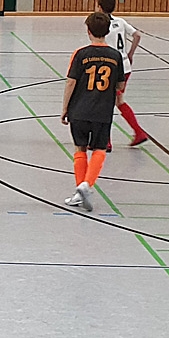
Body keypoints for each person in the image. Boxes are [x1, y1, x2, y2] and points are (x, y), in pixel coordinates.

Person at [60, 11, 126, 212]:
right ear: (107, 31)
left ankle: (80, 188)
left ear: (88, 31)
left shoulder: (80, 54)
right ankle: (86, 185)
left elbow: (71, 82)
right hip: (102, 112)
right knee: (99, 149)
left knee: (80, 148)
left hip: (79, 110)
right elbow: (120, 84)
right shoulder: (115, 56)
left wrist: (65, 108)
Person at [98, 0, 150, 148]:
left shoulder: (101, 24)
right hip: (125, 67)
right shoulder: (120, 21)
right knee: (119, 101)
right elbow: (137, 35)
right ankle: (138, 132)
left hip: (110, 67)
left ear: (99, 7)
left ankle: (106, 141)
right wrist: (130, 54)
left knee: (105, 103)